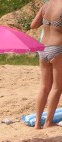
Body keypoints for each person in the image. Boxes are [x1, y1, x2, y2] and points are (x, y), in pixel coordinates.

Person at [31, 0, 62, 129]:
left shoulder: (46, 5)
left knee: (44, 87)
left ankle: (37, 123)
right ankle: (48, 122)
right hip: (58, 48)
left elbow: (33, 25)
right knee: (57, 87)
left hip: (43, 49)